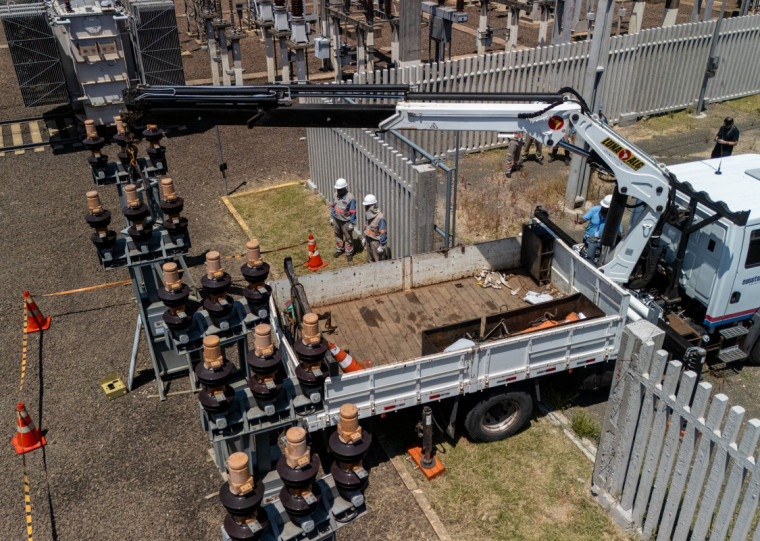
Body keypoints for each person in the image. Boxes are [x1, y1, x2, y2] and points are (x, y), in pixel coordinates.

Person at [575, 194, 621, 263]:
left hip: (601, 246)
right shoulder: (595, 210)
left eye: (606, 208)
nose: (604, 209)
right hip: (588, 242)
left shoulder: (614, 217)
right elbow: (584, 219)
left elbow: (619, 233)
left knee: (596, 262)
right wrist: (579, 221)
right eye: (603, 207)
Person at [330, 178, 357, 262]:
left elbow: (353, 211)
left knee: (348, 237)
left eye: (340, 189)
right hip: (336, 219)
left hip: (346, 221)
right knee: (337, 235)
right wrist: (331, 217)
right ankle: (339, 249)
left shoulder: (350, 198)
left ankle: (349, 253)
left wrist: (352, 223)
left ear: (345, 188)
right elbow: (332, 206)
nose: (338, 191)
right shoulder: (335, 195)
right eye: (337, 189)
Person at [362, 194, 388, 262]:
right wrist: (364, 238)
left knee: (378, 260)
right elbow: (366, 226)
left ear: (372, 206)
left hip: (376, 242)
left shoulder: (380, 217)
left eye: (367, 206)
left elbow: (383, 232)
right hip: (368, 240)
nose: (365, 208)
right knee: (370, 259)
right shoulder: (368, 215)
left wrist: (381, 246)